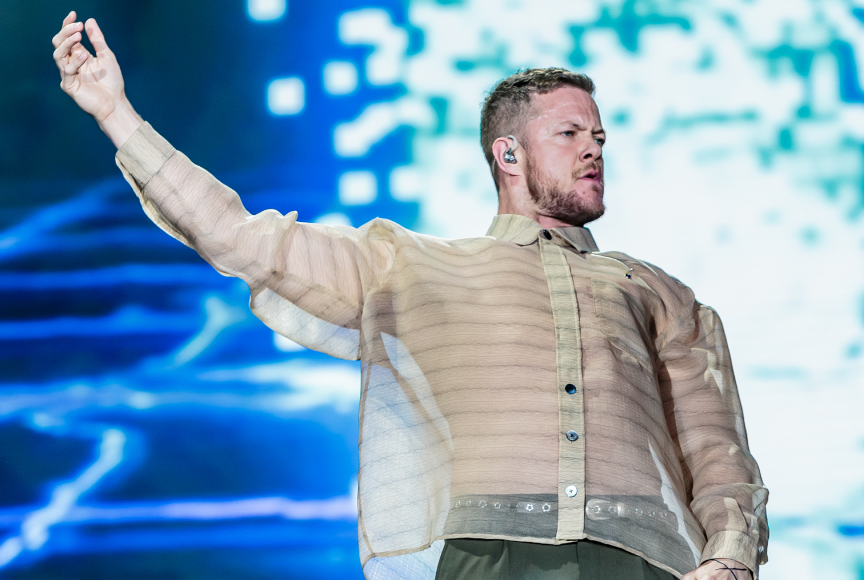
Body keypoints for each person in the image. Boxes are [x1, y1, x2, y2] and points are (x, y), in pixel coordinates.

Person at [52, 11, 768, 580]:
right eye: (570, 133)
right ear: (508, 153)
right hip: (488, 556)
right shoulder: (411, 266)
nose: (594, 149)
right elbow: (238, 237)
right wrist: (118, 116)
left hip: (644, 559)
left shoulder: (659, 293)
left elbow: (716, 450)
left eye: (600, 136)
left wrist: (731, 557)